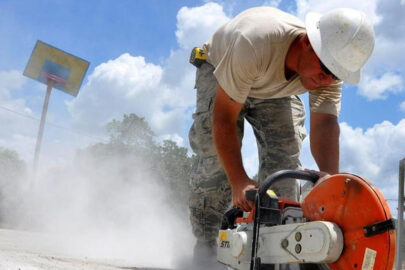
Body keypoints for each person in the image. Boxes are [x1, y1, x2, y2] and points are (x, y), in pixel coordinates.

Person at [187, 6, 375, 269]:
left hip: (272, 86)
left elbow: (325, 124)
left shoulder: (329, 72)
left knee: (285, 158)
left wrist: (330, 182)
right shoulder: (255, 42)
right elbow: (224, 119)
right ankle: (206, 250)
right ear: (308, 42)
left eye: (335, 75)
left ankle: (272, 253)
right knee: (217, 164)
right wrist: (239, 180)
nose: (326, 80)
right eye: (324, 70)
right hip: (222, 68)